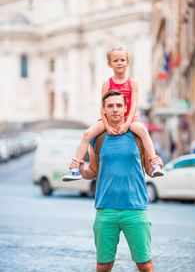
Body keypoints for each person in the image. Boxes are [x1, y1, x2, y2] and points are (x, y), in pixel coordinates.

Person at [69, 90, 163, 272]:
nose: (115, 109)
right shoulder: (98, 138)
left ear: (126, 108)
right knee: (103, 266)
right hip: (105, 210)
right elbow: (93, 172)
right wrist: (81, 170)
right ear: (103, 110)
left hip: (135, 209)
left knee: (145, 265)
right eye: (110, 106)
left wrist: (157, 164)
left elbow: (150, 171)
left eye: (119, 105)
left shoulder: (137, 135)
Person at [63, 46, 163, 181]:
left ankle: (155, 164)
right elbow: (102, 107)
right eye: (115, 60)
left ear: (128, 62)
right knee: (87, 134)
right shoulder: (106, 84)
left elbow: (133, 105)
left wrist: (127, 124)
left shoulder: (133, 82)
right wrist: (108, 126)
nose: (119, 63)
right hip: (109, 119)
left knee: (143, 131)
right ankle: (75, 169)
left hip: (129, 118)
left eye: (122, 60)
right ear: (109, 64)